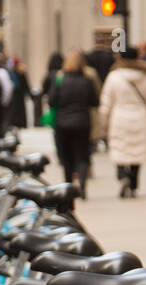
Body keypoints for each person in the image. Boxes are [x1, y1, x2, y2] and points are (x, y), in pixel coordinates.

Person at [98, 48, 146, 198]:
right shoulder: (145, 76)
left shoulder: (114, 76)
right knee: (137, 152)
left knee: (120, 149)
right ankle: (133, 184)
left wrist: (103, 121)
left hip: (120, 116)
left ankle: (122, 175)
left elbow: (106, 101)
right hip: (140, 116)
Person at [48, 48, 99, 197]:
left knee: (67, 158)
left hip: (62, 123)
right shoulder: (87, 80)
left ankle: (68, 187)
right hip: (82, 122)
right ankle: (82, 183)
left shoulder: (60, 80)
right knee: (82, 156)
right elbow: (95, 102)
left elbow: (51, 101)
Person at [7, 58, 30, 129]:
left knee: (14, 110)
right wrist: (28, 93)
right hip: (20, 95)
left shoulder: (11, 72)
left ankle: (14, 123)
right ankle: (20, 123)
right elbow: (26, 85)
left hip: (15, 95)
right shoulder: (21, 72)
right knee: (20, 110)